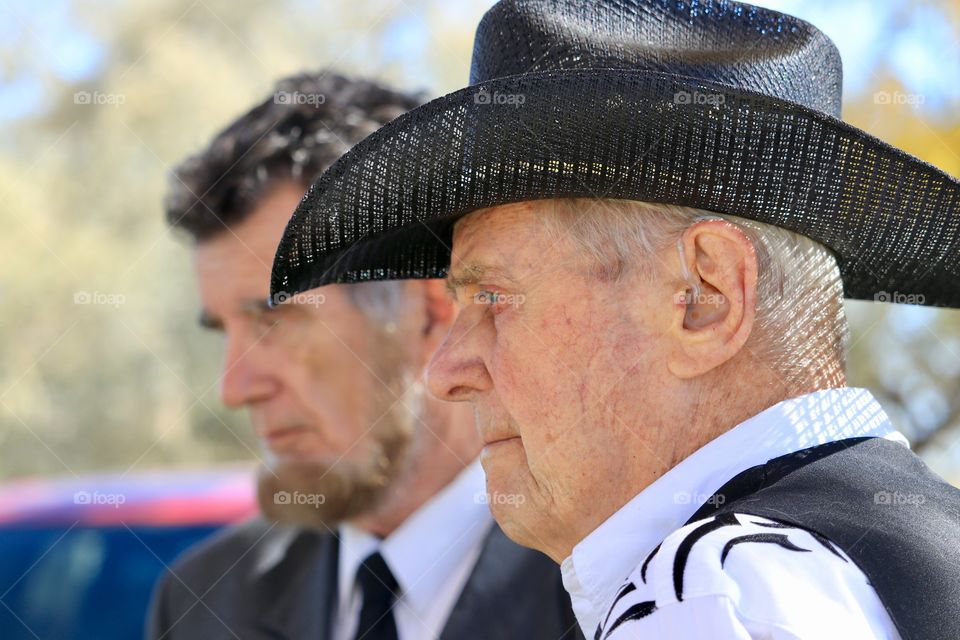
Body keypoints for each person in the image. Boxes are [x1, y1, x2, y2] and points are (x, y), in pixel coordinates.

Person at [268, 2, 960, 639]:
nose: (446, 372)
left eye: (493, 298)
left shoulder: (710, 595)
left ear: (704, 296)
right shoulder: (902, 554)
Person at [147, 71, 580, 640]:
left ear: (429, 314)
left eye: (273, 321)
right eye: (222, 330)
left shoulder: (612, 590)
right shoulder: (202, 604)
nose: (235, 387)